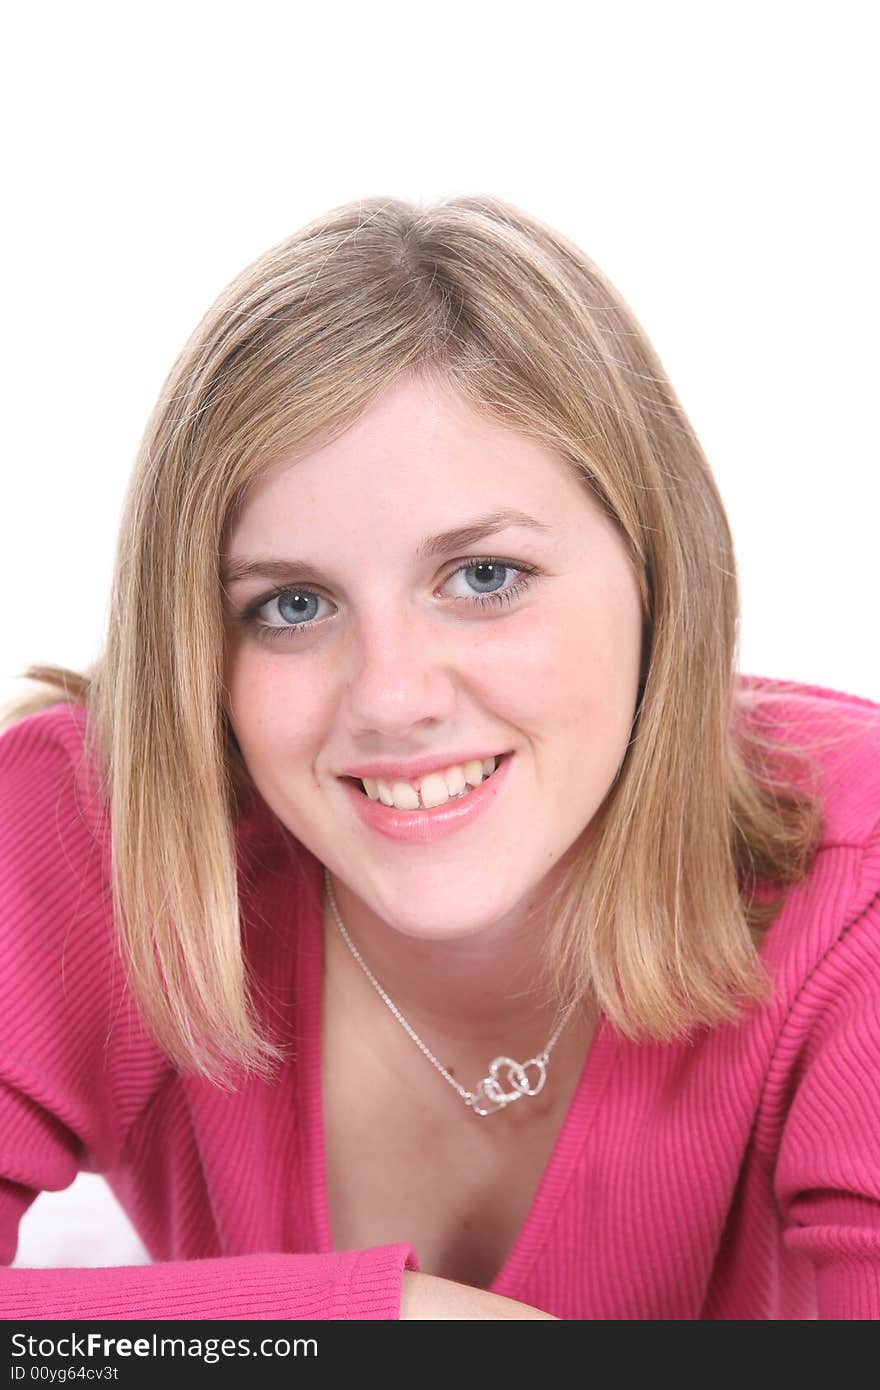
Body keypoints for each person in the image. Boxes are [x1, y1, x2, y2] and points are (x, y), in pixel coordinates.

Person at [1, 195, 878, 1322]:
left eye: (482, 577)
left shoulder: (852, 884)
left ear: (659, 571)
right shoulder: (99, 829)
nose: (392, 697)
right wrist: (395, 1324)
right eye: (292, 604)